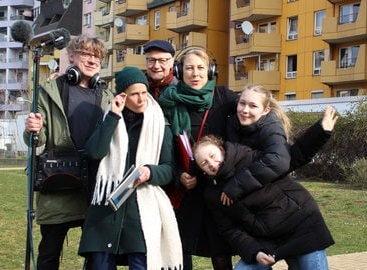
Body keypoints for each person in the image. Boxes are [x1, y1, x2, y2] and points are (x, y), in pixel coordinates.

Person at [195, 85, 337, 270]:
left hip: (297, 224)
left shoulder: (269, 130)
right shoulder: (233, 130)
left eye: (253, 105)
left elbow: (282, 160)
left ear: (266, 110)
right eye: (242, 103)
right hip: (265, 236)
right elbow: (230, 230)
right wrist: (254, 251)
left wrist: (320, 132)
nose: (245, 110)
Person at [23, 35, 115, 269]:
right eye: (86, 54)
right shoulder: (49, 91)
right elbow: (37, 139)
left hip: (95, 187)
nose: (92, 60)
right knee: (49, 253)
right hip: (59, 185)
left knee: (96, 256)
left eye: (97, 56)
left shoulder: (107, 95)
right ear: (71, 56)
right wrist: (32, 129)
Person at [78, 66, 182, 270]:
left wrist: (151, 172)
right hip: (106, 211)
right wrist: (113, 117)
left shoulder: (160, 124)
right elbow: (94, 153)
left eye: (144, 92)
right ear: (123, 96)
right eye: (135, 94)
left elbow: (170, 169)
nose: (142, 98)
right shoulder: (109, 117)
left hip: (142, 212)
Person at [159, 46, 239, 270]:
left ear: (211, 70)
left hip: (218, 189)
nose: (195, 74)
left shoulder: (224, 97)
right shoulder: (170, 103)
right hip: (186, 192)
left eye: (201, 68)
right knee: (180, 251)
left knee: (221, 254)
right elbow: (163, 150)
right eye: (189, 68)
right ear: (178, 71)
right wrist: (178, 175)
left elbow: (252, 117)